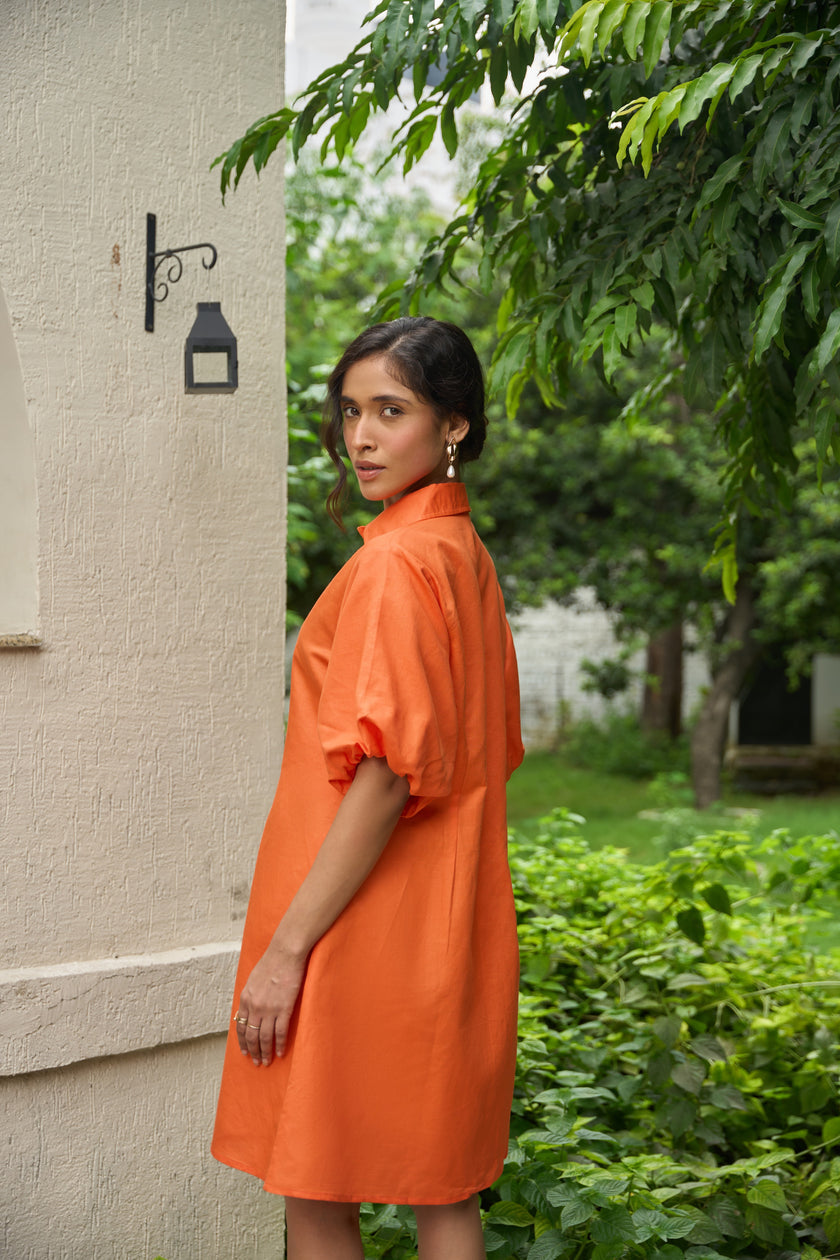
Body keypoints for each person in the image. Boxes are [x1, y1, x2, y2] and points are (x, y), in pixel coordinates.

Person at [212, 316, 524, 1259]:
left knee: (315, 1187)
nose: (361, 437)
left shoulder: (394, 564)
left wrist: (285, 952)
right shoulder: (458, 555)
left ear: (453, 427)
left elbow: (388, 776)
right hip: (447, 923)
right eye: (351, 412)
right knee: (444, 1194)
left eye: (392, 410)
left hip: (353, 926)